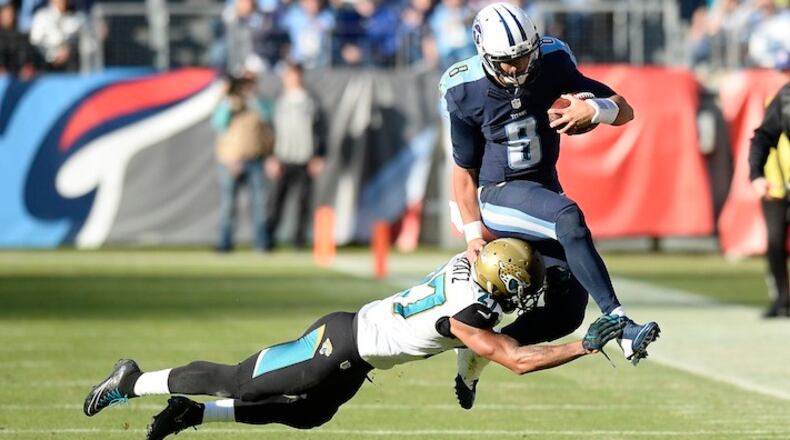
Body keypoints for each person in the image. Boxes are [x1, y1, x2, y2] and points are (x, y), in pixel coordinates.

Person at [83, 238, 626, 439]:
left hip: (358, 355)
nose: (525, 298)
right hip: (339, 343)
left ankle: (193, 415)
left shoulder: (471, 266)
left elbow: (477, 345)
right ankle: (133, 382)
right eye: (521, 288)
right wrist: (585, 343)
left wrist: (467, 381)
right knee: (241, 382)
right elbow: (513, 358)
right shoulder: (469, 312)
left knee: (308, 416)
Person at [439, 3, 660, 408]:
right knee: (568, 216)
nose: (519, 66)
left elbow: (625, 110)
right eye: (507, 61)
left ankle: (479, 354)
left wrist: (593, 108)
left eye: (525, 55)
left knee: (567, 313)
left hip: (541, 192)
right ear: (485, 55)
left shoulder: (553, 59)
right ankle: (621, 322)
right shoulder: (462, 87)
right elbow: (463, 172)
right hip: (498, 193)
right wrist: (473, 232)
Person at [212, 67, 274, 252]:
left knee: (260, 204)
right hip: (231, 160)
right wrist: (228, 97)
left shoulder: (259, 103)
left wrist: (252, 98)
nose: (246, 86)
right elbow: (218, 124)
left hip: (255, 158)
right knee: (228, 205)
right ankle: (225, 243)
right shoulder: (229, 103)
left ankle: (262, 243)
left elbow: (268, 119)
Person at [265, 61, 326, 249]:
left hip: (305, 158)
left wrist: (319, 155)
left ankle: (299, 241)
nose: (293, 78)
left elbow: (322, 129)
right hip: (283, 157)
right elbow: (269, 131)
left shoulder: (311, 100)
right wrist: (271, 156)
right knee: (276, 201)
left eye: (296, 74)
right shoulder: (278, 100)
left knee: (304, 202)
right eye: (290, 75)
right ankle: (267, 239)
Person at [748, 79, 790, 318]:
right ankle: (782, 299)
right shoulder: (784, 97)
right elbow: (762, 137)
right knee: (775, 243)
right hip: (776, 187)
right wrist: (756, 175)